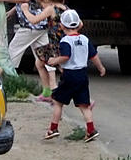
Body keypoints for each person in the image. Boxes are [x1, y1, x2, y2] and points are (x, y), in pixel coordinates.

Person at [43, 8, 106, 143]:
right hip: (83, 75)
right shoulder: (84, 39)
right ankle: (91, 130)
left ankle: (53, 128)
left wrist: (54, 61)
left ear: (61, 25)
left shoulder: (65, 41)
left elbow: (66, 56)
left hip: (70, 75)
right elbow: (93, 56)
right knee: (84, 105)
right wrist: (101, 68)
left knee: (58, 102)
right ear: (79, 24)